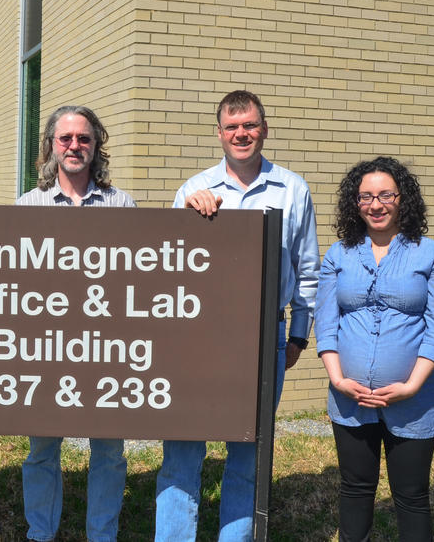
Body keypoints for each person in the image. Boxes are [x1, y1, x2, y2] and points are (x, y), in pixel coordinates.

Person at [156, 90, 319, 541]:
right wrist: (188, 219)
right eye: (232, 126)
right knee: (183, 449)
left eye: (249, 125)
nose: (241, 134)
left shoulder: (293, 189)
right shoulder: (192, 189)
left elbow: (308, 270)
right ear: (220, 133)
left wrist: (299, 336)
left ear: (264, 128)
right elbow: (168, 264)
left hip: (265, 332)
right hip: (199, 336)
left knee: (247, 451)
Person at [315, 156, 434, 541]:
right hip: (350, 400)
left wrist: (411, 386)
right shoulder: (338, 254)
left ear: (402, 198)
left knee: (411, 496)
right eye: (365, 197)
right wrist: (339, 379)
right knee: (355, 490)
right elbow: (326, 325)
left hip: (413, 401)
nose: (375, 205)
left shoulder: (431, 254)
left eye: (385, 195)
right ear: (354, 203)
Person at [16, 105, 135, 542]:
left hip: (107, 346)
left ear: (96, 144)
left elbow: (139, 279)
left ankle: (102, 535)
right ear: (50, 145)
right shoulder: (28, 205)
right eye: (65, 138)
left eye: (83, 138)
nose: (74, 146)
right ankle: (40, 533)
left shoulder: (122, 204)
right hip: (45, 346)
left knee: (109, 450)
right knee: (43, 448)